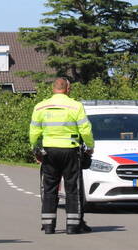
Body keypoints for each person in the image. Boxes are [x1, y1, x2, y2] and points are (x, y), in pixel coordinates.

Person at [29, 78, 94, 234]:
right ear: (68, 88)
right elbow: (85, 129)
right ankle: (73, 226)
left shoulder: (40, 107)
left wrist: (35, 149)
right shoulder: (76, 106)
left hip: (49, 151)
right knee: (72, 188)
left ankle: (48, 225)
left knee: (49, 188)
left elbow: (33, 132)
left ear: (53, 88)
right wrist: (90, 146)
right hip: (70, 151)